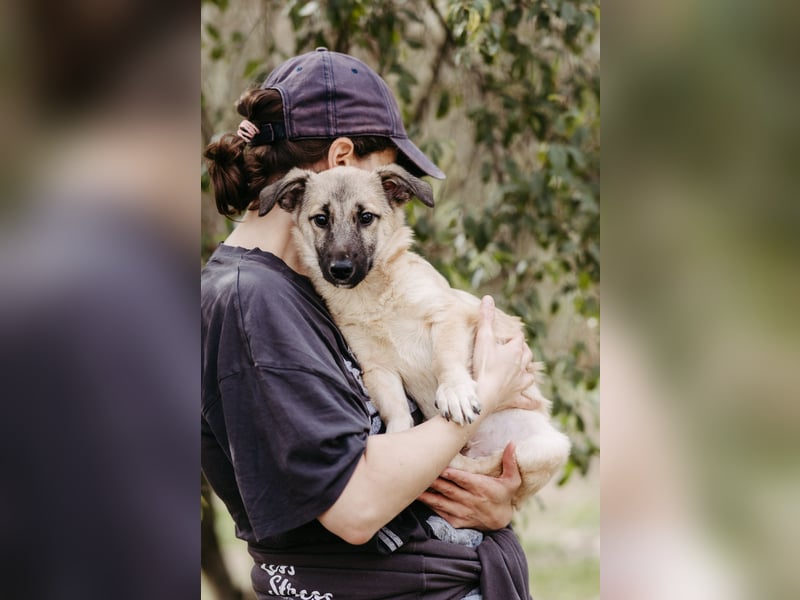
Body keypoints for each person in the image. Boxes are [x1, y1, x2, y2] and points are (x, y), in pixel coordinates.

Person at [202, 48, 536, 600]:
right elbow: (355, 507)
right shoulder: (250, 301)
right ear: (342, 160)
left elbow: (391, 441)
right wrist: (486, 396)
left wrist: (493, 503)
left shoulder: (317, 289)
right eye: (384, 161)